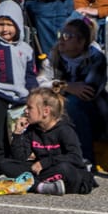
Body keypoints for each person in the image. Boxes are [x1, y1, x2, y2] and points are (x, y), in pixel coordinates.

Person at [0, 0, 38, 179]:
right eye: (0, 24)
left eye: (9, 24)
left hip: (21, 100)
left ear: (18, 25)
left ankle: (15, 170)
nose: (5, 29)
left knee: (18, 137)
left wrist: (33, 97)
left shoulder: (26, 49)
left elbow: (30, 75)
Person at [39, 17, 108, 168]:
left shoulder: (96, 58)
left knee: (73, 103)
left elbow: (88, 92)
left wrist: (56, 87)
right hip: (62, 103)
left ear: (81, 42)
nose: (62, 40)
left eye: (68, 36)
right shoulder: (55, 54)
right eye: (61, 35)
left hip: (93, 112)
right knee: (40, 102)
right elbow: (41, 82)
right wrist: (66, 86)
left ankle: (85, 159)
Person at [2, 87, 97, 195]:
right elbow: (20, 158)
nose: (25, 111)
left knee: (64, 168)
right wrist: (18, 134)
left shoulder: (64, 130)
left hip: (67, 173)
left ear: (45, 111)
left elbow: (75, 157)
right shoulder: (32, 130)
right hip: (46, 172)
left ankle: (31, 185)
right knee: (5, 164)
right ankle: (42, 186)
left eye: (29, 108)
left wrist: (44, 163)